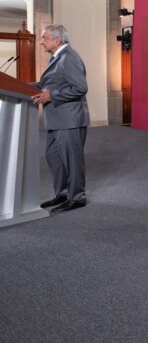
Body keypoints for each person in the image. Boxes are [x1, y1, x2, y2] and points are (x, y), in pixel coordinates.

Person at [33, 24, 90, 213]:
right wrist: (19, 86)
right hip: (57, 118)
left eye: (44, 38)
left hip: (70, 119)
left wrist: (51, 96)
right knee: (53, 156)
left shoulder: (70, 58)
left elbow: (80, 88)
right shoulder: (57, 58)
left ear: (57, 40)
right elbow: (44, 84)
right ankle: (63, 193)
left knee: (72, 159)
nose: (41, 42)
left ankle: (77, 197)